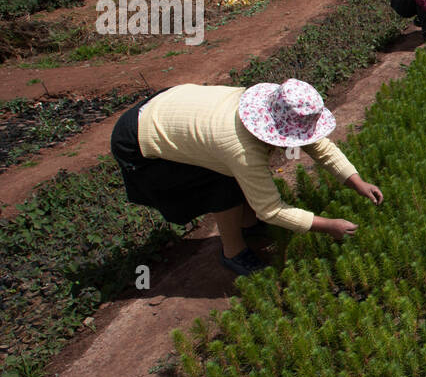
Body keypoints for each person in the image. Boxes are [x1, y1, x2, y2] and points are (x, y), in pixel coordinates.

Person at [110, 79, 383, 277]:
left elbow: (317, 144)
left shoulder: (276, 105)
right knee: (222, 183)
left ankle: (247, 225)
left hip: (171, 107)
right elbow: (271, 210)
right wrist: (328, 226)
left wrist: (356, 181)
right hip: (139, 140)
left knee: (234, 175)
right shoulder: (240, 148)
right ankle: (234, 252)